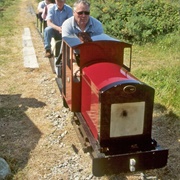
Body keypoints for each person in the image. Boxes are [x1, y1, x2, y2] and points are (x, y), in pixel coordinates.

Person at [61, 0, 104, 76]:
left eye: (86, 13)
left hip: (91, 53)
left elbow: (99, 45)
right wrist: (74, 65)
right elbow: (68, 47)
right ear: (74, 13)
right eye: (80, 13)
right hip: (72, 53)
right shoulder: (67, 25)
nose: (83, 15)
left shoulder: (97, 25)